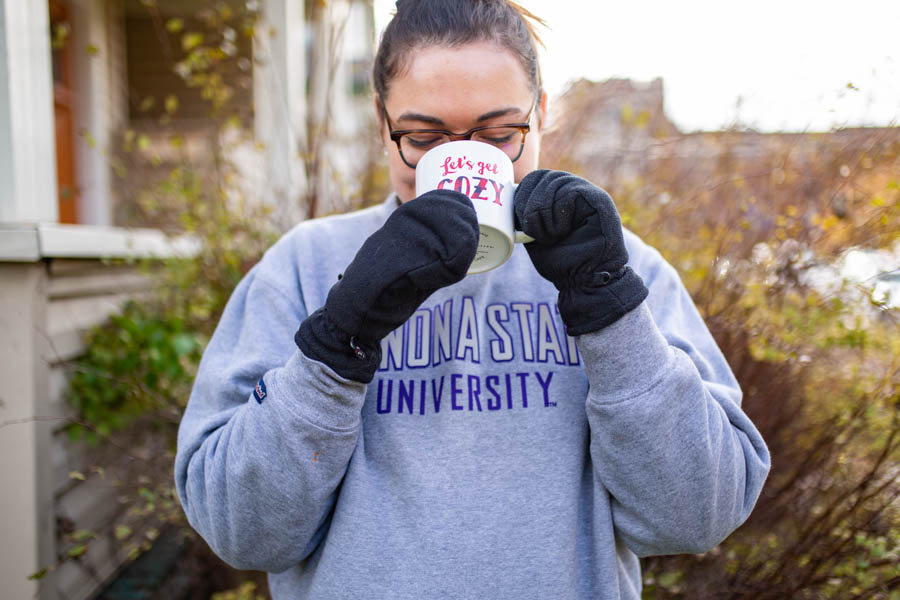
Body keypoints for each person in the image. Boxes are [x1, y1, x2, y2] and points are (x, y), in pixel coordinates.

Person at [174, 1, 771, 598]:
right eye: (425, 137)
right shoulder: (304, 266)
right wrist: (335, 341)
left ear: (539, 115)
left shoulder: (618, 266)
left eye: (497, 134)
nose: (459, 162)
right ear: (384, 124)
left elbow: (699, 515)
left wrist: (609, 309)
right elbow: (240, 531)